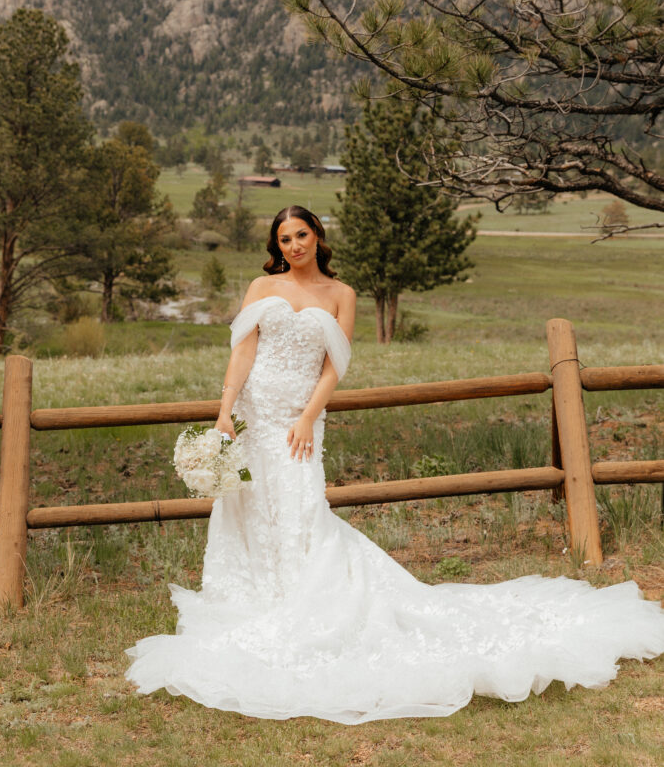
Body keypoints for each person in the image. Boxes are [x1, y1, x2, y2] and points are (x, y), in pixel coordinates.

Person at [126, 205, 664, 724]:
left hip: (298, 420)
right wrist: (224, 414)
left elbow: (336, 366)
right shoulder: (262, 288)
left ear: (318, 235)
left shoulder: (342, 294)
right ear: (277, 247)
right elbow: (242, 351)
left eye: (302, 236)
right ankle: (259, 599)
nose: (294, 247)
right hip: (254, 416)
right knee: (251, 507)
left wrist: (308, 416)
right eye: (284, 240)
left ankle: (312, 603)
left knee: (300, 508)